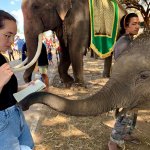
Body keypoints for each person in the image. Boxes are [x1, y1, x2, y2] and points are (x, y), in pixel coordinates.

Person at [0, 10, 34, 150]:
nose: (12, 42)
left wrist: (27, 86)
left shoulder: (2, 58)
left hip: (16, 115)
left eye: (13, 36)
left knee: (29, 146)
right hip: (3, 125)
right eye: (7, 36)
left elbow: (8, 91)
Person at [108, 13, 140, 150]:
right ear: (126, 26)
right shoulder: (124, 43)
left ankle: (126, 133)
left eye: (138, 23)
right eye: (134, 24)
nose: (137, 26)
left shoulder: (130, 40)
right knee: (126, 113)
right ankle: (113, 141)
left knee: (133, 112)